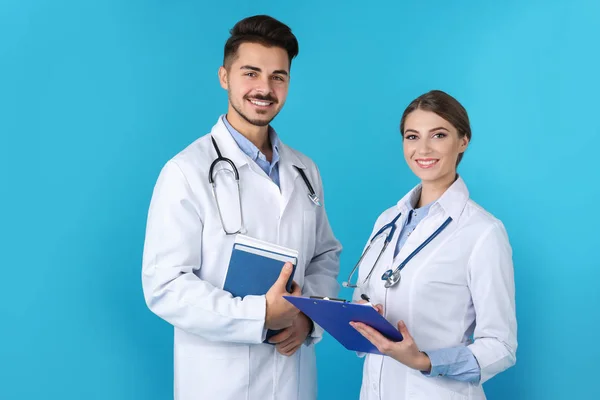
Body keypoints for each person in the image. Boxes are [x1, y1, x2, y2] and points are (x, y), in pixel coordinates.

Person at [141, 15, 341, 400]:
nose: (264, 89)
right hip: (219, 382)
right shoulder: (186, 171)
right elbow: (163, 285)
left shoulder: (304, 170)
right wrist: (260, 315)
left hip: (292, 380)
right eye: (251, 73)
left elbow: (325, 255)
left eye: (278, 77)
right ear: (224, 77)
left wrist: (305, 317)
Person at [348, 90, 517, 399]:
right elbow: (368, 302)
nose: (422, 148)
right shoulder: (387, 220)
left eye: (438, 135)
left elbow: (501, 346)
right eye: (412, 136)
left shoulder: (483, 231)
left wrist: (424, 361)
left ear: (463, 140)